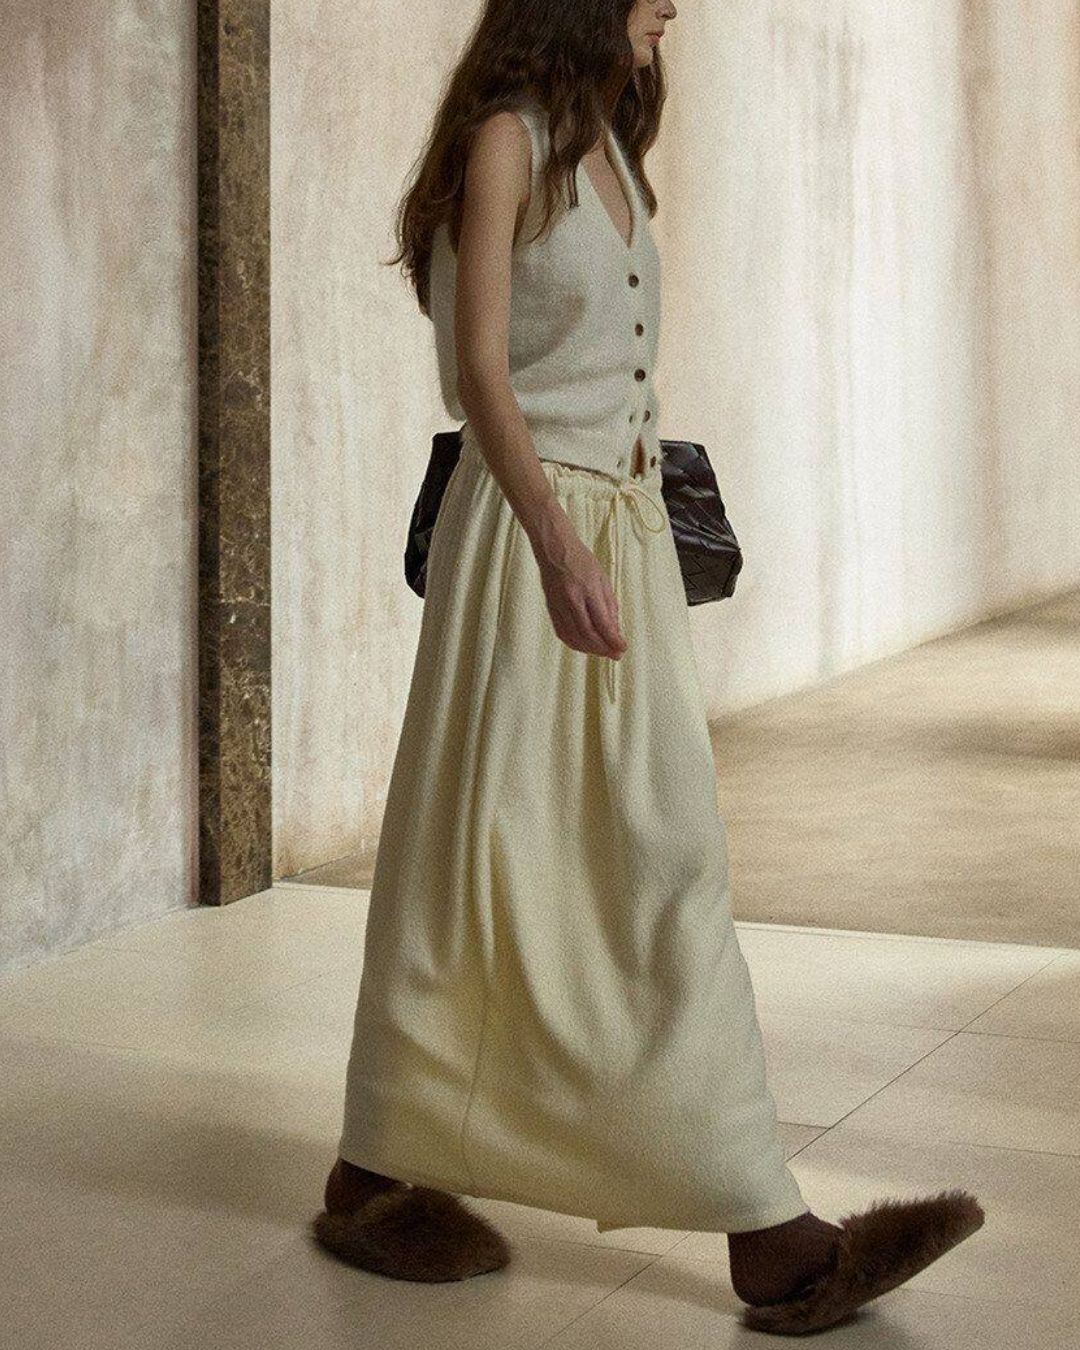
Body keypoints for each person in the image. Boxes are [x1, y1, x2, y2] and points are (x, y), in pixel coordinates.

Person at [310, 1, 984, 1334]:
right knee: (488, 853)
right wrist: (557, 547)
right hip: (529, 545)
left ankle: (385, 1162)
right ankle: (759, 1233)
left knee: (663, 853)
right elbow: (479, 374)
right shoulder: (505, 142)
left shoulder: (610, 142)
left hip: (624, 539)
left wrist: (611, 541)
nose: (675, 4)